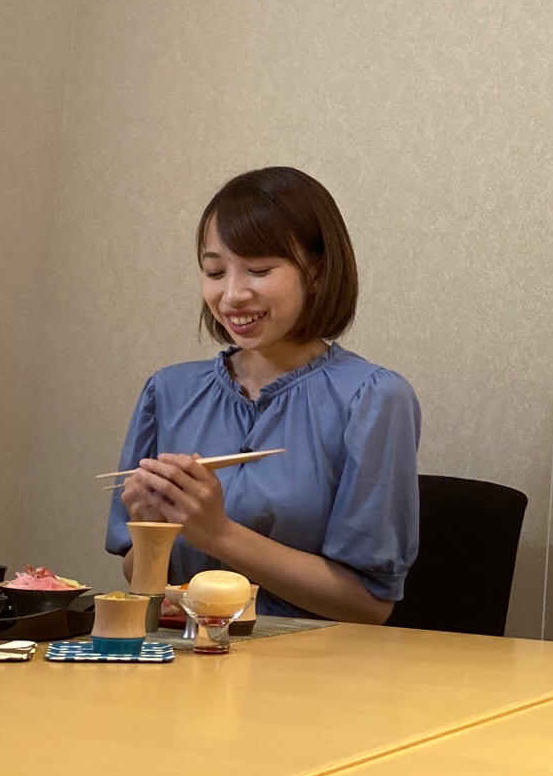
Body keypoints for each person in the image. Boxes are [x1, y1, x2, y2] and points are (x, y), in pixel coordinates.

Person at [106, 166, 419, 623]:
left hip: (313, 660)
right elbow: (139, 578)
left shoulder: (374, 399)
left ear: (317, 272)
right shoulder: (168, 391)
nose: (232, 294)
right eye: (215, 271)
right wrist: (153, 531)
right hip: (183, 651)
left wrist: (219, 534)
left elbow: (368, 605)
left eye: (258, 270)